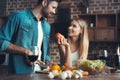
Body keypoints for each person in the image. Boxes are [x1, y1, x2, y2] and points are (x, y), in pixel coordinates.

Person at [0, 0, 62, 74]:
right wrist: (25, 51)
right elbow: (1, 41)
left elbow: (46, 51)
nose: (54, 12)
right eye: (53, 7)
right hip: (19, 74)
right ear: (44, 2)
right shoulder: (17, 17)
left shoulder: (47, 26)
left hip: (41, 74)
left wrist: (47, 62)